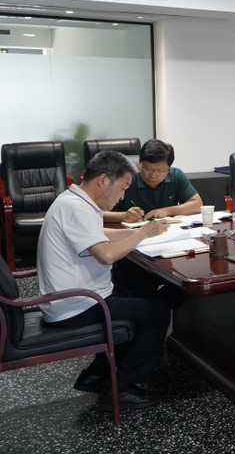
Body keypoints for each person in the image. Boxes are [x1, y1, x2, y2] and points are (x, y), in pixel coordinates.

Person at [37, 150, 171, 410]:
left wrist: (137, 232)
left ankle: (98, 374)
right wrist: (142, 233)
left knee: (150, 296)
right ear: (103, 180)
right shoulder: (76, 208)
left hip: (78, 296)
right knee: (157, 312)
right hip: (75, 305)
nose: (122, 196)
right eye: (122, 188)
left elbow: (99, 234)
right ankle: (125, 387)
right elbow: (106, 255)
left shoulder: (75, 200)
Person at [107, 139, 203, 222]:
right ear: (140, 162)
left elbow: (197, 205)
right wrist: (124, 216)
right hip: (130, 232)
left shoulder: (176, 175)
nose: (153, 175)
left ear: (168, 168)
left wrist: (167, 211)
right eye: (148, 169)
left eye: (160, 171)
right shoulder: (126, 178)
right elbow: (101, 213)